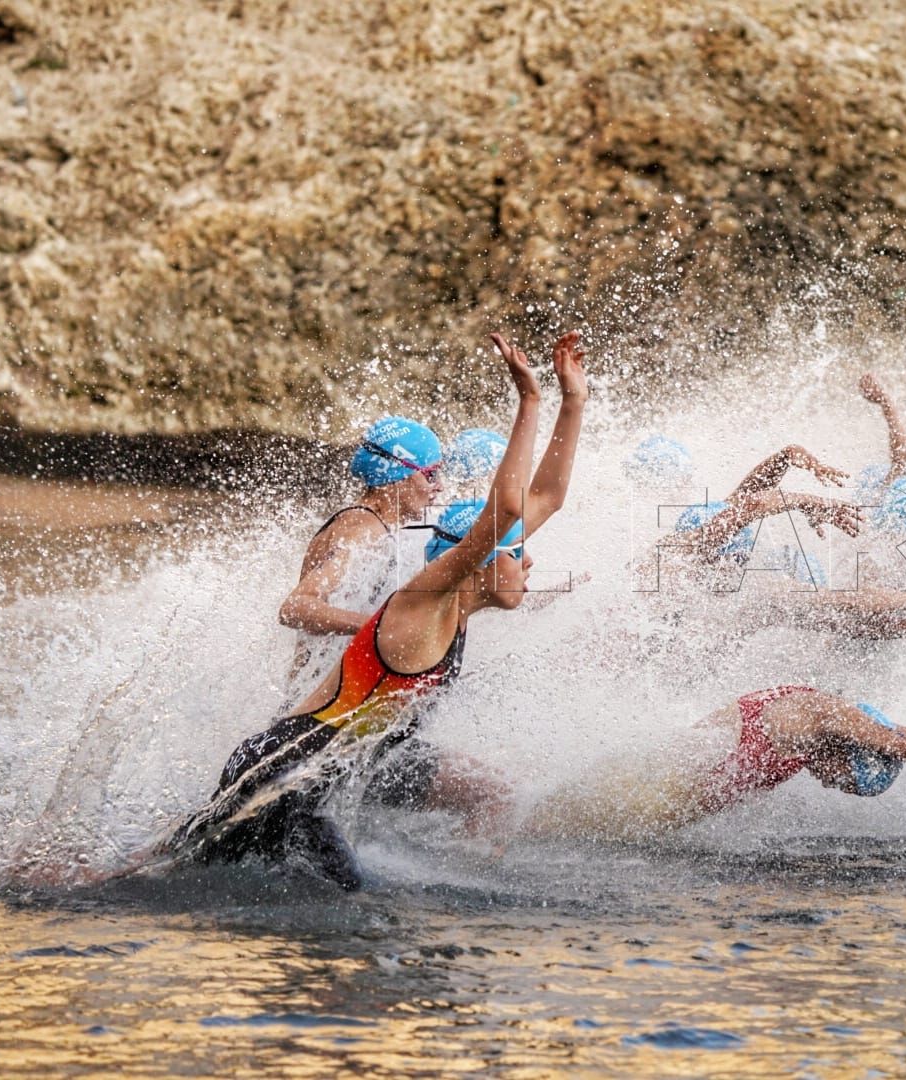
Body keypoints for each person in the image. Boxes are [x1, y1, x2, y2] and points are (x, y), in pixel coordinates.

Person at [160, 331, 588, 890]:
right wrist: (530, 402)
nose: (529, 563)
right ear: (477, 564)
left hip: (317, 779)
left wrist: (574, 401)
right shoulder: (417, 602)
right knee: (167, 877)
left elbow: (546, 497)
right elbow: (504, 508)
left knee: (321, 897)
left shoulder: (450, 608)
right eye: (516, 552)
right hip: (281, 772)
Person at [523, 685, 906, 841]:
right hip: (656, 780)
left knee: (550, 830)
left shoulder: (839, 731)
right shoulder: (818, 716)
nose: (837, 790)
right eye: (849, 785)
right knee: (539, 830)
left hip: (668, 796)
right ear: (848, 758)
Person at [276, 415, 447, 702]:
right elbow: (295, 607)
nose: (439, 486)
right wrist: (381, 628)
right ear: (395, 475)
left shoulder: (384, 530)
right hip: (313, 712)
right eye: (430, 474)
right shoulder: (364, 531)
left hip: (333, 706)